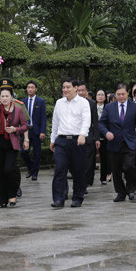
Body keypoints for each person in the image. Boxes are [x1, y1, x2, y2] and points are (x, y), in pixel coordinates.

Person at [0, 80, 29, 208]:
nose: (4, 99)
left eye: (6, 96)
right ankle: (2, 200)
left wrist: (16, 130)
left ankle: (13, 195)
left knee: (9, 169)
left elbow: (25, 126)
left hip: (11, 144)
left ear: (12, 96)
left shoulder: (18, 109)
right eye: (2, 96)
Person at [98, 82, 136, 202]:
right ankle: (120, 193)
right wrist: (106, 132)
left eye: (123, 94)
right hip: (114, 143)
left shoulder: (135, 107)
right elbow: (101, 123)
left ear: (128, 93)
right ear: (115, 95)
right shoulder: (109, 107)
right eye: (118, 94)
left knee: (129, 167)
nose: (121, 96)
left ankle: (131, 189)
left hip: (130, 143)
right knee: (116, 170)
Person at [50, 78, 90, 208]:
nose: (65, 90)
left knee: (78, 171)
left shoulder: (83, 103)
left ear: (75, 88)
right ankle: (58, 199)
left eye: (68, 87)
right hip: (61, 140)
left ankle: (77, 197)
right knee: (60, 168)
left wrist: (83, 134)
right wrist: (53, 140)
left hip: (77, 141)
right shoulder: (59, 103)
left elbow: (86, 120)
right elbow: (55, 122)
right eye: (63, 87)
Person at [20, 81, 47, 181]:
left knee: (37, 153)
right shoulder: (22, 102)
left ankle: (35, 173)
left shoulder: (41, 101)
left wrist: (42, 131)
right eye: (28, 87)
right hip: (25, 131)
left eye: (32, 87)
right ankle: (31, 168)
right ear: (26, 89)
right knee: (23, 152)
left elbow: (43, 118)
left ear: (36, 89)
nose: (30, 89)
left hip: (36, 131)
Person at [77, 81, 100, 188]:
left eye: (83, 90)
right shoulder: (72, 102)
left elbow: (95, 122)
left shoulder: (92, 103)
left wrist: (97, 138)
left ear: (86, 91)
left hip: (89, 135)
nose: (81, 92)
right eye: (79, 90)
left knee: (89, 160)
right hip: (76, 134)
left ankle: (86, 181)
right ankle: (81, 181)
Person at [95, 89, 111, 185]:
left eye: (102, 95)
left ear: (105, 97)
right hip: (94, 136)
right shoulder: (92, 107)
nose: (100, 96)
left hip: (105, 136)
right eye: (98, 94)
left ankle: (103, 178)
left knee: (104, 158)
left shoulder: (108, 107)